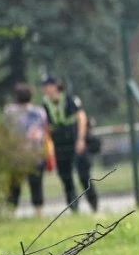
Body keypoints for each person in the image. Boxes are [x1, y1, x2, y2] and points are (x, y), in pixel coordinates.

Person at [41, 75, 98, 212]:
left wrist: (81, 139)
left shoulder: (69, 100)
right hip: (60, 145)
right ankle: (74, 208)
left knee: (84, 176)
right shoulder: (45, 105)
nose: (45, 89)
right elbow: (47, 127)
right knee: (66, 178)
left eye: (47, 86)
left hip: (75, 142)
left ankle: (94, 205)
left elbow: (81, 118)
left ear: (55, 86)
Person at [3, 83, 48, 218]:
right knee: (37, 185)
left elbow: (4, 131)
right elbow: (43, 131)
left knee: (14, 187)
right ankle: (38, 213)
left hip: (15, 155)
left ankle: (11, 213)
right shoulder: (39, 112)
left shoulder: (9, 112)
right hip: (35, 154)